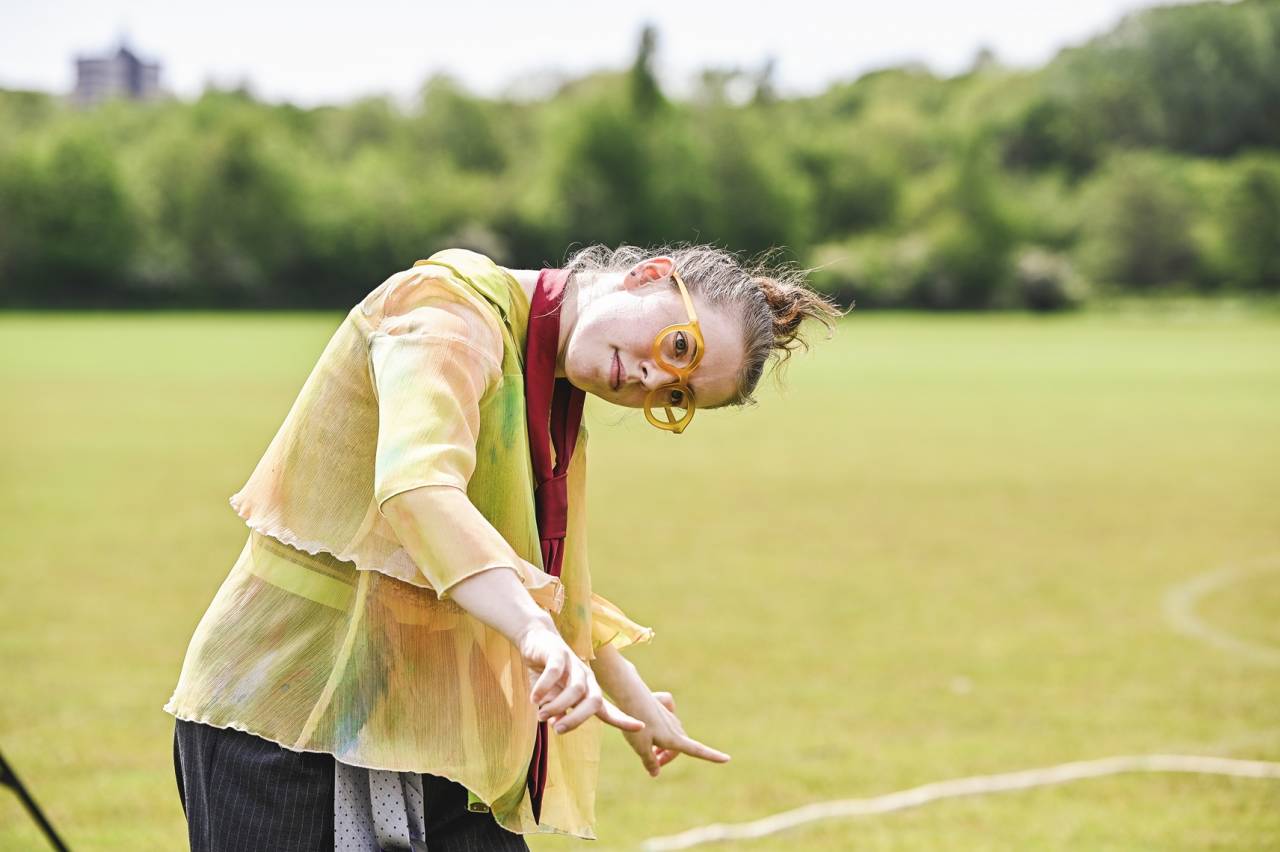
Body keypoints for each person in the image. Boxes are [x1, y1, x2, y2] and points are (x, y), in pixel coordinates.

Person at [165, 243, 846, 850]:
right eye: (678, 348)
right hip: (281, 713)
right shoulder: (447, 313)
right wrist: (531, 634)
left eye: (676, 396)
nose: (649, 382)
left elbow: (524, 564)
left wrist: (626, 689)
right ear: (649, 275)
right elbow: (419, 490)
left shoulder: (551, 388)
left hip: (432, 722)